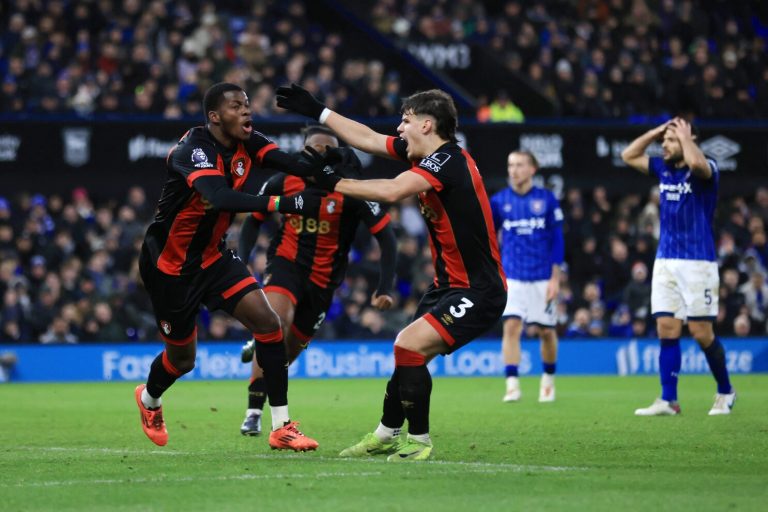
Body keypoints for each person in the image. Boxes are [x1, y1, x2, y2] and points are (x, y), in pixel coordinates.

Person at [276, 83, 507, 461]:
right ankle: (385, 434)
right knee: (407, 356)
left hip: (479, 290)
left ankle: (418, 441)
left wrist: (330, 182)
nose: (400, 129)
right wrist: (319, 112)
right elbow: (367, 137)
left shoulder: (448, 161)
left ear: (428, 125)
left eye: (406, 121)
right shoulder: (428, 156)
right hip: (447, 285)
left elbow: (392, 191)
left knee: (407, 345)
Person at [135, 82, 330, 450]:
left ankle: (281, 426)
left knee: (269, 323)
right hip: (171, 267)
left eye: (247, 104)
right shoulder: (192, 151)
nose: (246, 111)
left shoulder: (247, 141)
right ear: (214, 117)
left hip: (214, 257)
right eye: (236, 106)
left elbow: (287, 161)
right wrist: (285, 204)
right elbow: (221, 197)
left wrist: (320, 169)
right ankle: (149, 399)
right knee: (182, 359)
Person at [237, 125, 398, 436]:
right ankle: (254, 411)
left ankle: (256, 348)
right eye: (316, 150)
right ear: (303, 152)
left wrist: (384, 287)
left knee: (287, 352)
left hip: (324, 282)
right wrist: (242, 261)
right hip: (286, 265)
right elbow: (252, 220)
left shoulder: (351, 189)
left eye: (329, 151)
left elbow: (386, 237)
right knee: (275, 322)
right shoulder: (283, 181)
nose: (323, 155)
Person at [621, 117, 736, 416]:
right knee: (666, 328)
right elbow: (628, 155)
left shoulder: (707, 168)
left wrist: (685, 139)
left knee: (700, 331)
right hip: (666, 261)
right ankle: (668, 400)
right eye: (665, 141)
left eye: (671, 140)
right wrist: (655, 132)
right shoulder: (663, 168)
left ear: (690, 139)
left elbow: (697, 166)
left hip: (698, 262)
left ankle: (725, 390)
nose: (665, 145)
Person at [489, 150, 564, 403]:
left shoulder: (547, 200)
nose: (514, 170)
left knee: (545, 331)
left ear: (532, 169)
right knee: (511, 326)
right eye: (511, 165)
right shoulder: (499, 201)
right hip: (513, 277)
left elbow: (557, 241)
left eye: (520, 165)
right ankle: (512, 385)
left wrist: (555, 279)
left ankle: (548, 380)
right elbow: (489, 237)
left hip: (543, 277)